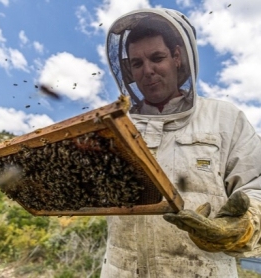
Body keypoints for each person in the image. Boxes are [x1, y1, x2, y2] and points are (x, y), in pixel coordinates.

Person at [101, 8, 261, 278]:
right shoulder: (117, 127)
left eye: (157, 58)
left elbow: (256, 184)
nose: (147, 71)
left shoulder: (224, 118)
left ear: (177, 57)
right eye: (137, 63)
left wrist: (243, 225)